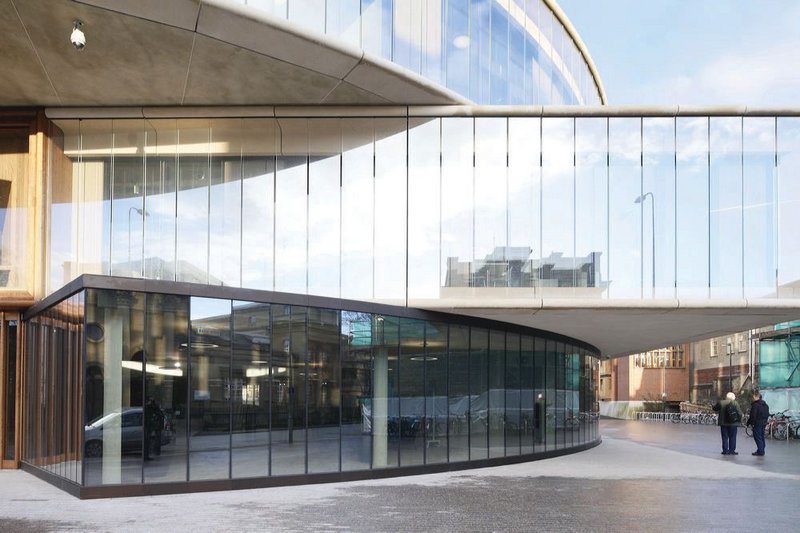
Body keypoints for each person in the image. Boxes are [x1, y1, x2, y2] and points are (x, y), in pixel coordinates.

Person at [747, 390, 769, 456]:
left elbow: (753, 415)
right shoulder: (765, 405)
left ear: (757, 397)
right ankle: (761, 449)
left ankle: (760, 451)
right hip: (763, 423)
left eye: (753, 396)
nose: (752, 398)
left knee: (757, 437)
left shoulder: (755, 405)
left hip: (757, 423)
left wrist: (751, 423)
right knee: (761, 437)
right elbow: (767, 414)